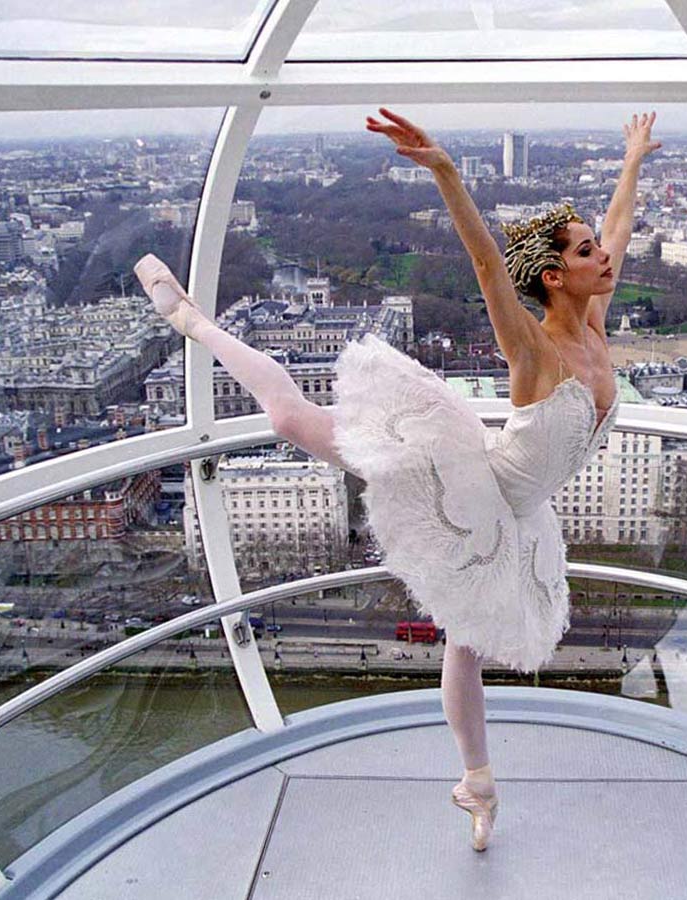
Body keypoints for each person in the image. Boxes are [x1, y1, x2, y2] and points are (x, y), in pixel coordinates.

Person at [133, 107, 659, 852]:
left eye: (599, 250)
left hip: (519, 509)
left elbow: (619, 222)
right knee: (288, 419)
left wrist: (633, 155)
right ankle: (192, 322)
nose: (606, 256)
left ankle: (477, 784)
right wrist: (446, 170)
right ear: (553, 276)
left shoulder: (596, 324)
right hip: (464, 485)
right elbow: (486, 268)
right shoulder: (538, 356)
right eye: (587, 252)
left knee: (465, 646)